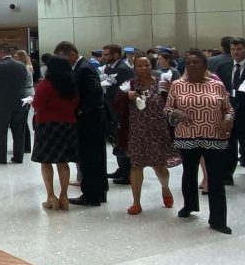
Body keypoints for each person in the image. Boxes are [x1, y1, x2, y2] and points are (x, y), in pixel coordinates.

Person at [167, 49, 234, 233]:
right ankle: (189, 205)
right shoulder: (177, 85)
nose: (192, 66)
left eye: (196, 62)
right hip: (187, 136)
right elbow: (167, 110)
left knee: (216, 178)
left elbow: (228, 109)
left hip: (214, 136)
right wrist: (176, 113)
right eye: (188, 63)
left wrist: (228, 119)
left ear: (205, 65)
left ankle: (218, 220)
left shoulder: (216, 85)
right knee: (189, 172)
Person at [111, 55, 175, 215]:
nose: (144, 68)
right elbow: (116, 103)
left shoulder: (160, 83)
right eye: (140, 66)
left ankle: (165, 188)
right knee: (136, 165)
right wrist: (127, 97)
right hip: (136, 132)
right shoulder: (129, 85)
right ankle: (136, 201)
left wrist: (170, 90)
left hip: (158, 130)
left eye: (146, 65)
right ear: (135, 68)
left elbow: (173, 101)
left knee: (159, 166)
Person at [55, 42, 108, 206]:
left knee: (89, 157)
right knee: (96, 157)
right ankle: (99, 192)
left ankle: (91, 194)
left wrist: (80, 110)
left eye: (62, 58)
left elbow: (94, 92)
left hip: (90, 119)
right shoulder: (83, 66)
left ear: (71, 54)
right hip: (93, 117)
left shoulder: (84, 68)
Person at [31, 54, 79, 211]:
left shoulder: (45, 85)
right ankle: (64, 195)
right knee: (63, 162)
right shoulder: (72, 85)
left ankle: (51, 196)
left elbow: (37, 104)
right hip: (68, 124)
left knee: (46, 161)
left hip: (47, 125)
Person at [210, 38, 245, 184]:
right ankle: (227, 174)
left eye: (239, 49)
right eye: (233, 49)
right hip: (228, 111)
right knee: (228, 144)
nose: (236, 52)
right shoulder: (223, 66)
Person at [0, 42, 33, 164]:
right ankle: (18, 156)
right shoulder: (21, 65)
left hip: (1, 104)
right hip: (20, 102)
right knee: (19, 130)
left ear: (0, 53)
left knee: (1, 131)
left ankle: (1, 157)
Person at [100, 44, 134, 184]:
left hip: (121, 110)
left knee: (123, 140)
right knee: (116, 139)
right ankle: (121, 167)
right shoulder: (110, 68)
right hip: (111, 109)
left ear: (115, 55)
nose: (104, 57)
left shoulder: (123, 69)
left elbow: (125, 89)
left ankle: (128, 173)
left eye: (107, 54)